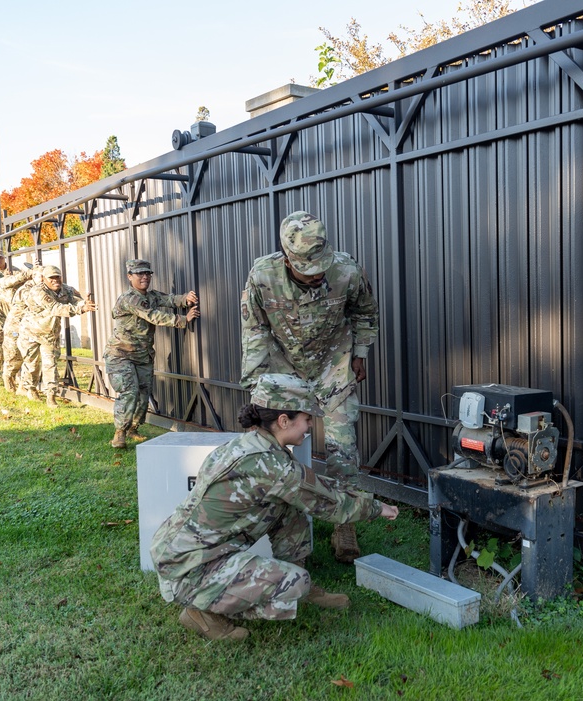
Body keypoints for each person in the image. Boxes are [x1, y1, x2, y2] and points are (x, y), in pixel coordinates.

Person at [150, 373, 399, 641]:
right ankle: (203, 611)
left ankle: (295, 578)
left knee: (290, 507)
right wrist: (376, 509)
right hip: (190, 568)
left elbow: (313, 485)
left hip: (189, 553)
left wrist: (364, 497)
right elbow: (328, 504)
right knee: (294, 583)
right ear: (284, 421)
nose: (310, 426)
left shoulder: (258, 449)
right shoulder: (270, 466)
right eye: (306, 419)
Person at [240, 211, 379, 563]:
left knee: (342, 444)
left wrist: (360, 353)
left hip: (333, 364)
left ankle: (344, 523)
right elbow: (254, 330)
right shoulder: (262, 276)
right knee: (272, 443)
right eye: (307, 267)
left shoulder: (346, 270)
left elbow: (365, 312)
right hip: (284, 368)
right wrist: (257, 384)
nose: (317, 273)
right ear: (287, 258)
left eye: (320, 264)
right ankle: (275, 516)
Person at [104, 259, 199, 449]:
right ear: (129, 277)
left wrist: (184, 299)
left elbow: (168, 299)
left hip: (142, 356)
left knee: (143, 393)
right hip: (120, 355)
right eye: (139, 274)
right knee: (129, 392)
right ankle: (120, 433)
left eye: (147, 273)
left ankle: (133, 429)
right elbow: (153, 316)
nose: (145, 277)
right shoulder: (129, 299)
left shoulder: (151, 295)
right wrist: (183, 319)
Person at [20, 264, 97, 407]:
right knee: (32, 364)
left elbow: (74, 299)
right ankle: (31, 388)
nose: (55, 280)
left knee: (50, 365)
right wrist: (81, 309)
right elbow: (56, 308)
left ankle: (51, 396)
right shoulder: (38, 292)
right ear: (43, 279)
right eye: (51, 278)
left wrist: (84, 302)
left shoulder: (65, 289)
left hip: (50, 334)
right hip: (31, 332)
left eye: (58, 277)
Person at [0, 249, 33, 385]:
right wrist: (8, 278)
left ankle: (14, 373)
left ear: (4, 258)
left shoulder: (14, 270)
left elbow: (23, 281)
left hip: (12, 310)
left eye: (0, 258)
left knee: (13, 341)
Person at [1, 268, 42, 393]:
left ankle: (23, 386)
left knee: (29, 356)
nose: (43, 279)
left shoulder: (41, 288)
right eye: (40, 276)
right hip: (15, 327)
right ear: (33, 277)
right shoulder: (26, 289)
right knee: (14, 355)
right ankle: (8, 377)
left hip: (29, 328)